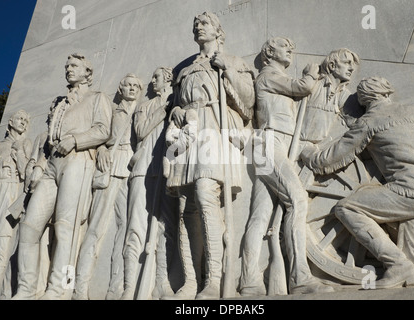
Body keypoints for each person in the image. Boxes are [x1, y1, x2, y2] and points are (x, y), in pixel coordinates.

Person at [301, 76, 414, 288]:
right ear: (387, 92)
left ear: (363, 100)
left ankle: (395, 264)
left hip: (409, 192)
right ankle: (408, 268)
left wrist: (309, 154)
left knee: (346, 208)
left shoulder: (369, 122)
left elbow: (332, 159)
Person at [163, 12, 255, 300]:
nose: (199, 27)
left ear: (218, 31)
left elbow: (248, 103)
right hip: (189, 129)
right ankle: (191, 281)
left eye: (204, 23)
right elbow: (176, 106)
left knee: (206, 193)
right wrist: (175, 112)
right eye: (195, 24)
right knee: (184, 207)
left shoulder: (233, 61)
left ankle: (213, 279)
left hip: (215, 125)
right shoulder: (185, 70)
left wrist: (226, 69)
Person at [12, 53, 112, 300]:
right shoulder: (60, 104)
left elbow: (103, 130)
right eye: (66, 65)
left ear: (87, 72)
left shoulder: (97, 98)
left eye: (74, 66)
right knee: (28, 228)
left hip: (78, 160)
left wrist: (76, 140)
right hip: (50, 166)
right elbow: (48, 140)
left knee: (66, 228)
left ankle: (60, 288)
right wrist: (38, 166)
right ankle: (25, 289)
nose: (68, 69)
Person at [240, 37, 335, 296]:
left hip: (275, 143)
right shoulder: (268, 75)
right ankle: (300, 278)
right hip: (270, 142)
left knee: (260, 216)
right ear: (269, 52)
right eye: (285, 46)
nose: (291, 49)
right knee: (298, 200)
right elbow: (301, 87)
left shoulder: (271, 76)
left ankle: (249, 282)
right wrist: (310, 74)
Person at [73, 73, 143, 300]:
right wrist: (102, 149)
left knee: (125, 230)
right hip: (111, 167)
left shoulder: (142, 110)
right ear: (121, 89)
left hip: (131, 170)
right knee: (95, 229)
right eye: (128, 85)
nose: (132, 88)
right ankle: (79, 287)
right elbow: (100, 134)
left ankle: (116, 288)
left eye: (135, 86)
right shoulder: (112, 110)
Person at [121, 67, 176, 300]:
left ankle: (162, 281)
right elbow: (142, 131)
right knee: (135, 227)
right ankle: (129, 286)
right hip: (143, 168)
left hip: (167, 167)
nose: (152, 81)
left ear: (167, 80)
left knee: (167, 227)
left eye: (156, 77)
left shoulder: (176, 101)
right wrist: (163, 111)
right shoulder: (145, 106)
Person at [0, 110, 32, 299]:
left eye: (26, 121)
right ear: (10, 122)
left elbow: (27, 175)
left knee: (2, 247)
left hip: (11, 194)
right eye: (20, 119)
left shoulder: (25, 144)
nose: (23, 123)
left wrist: (19, 152)